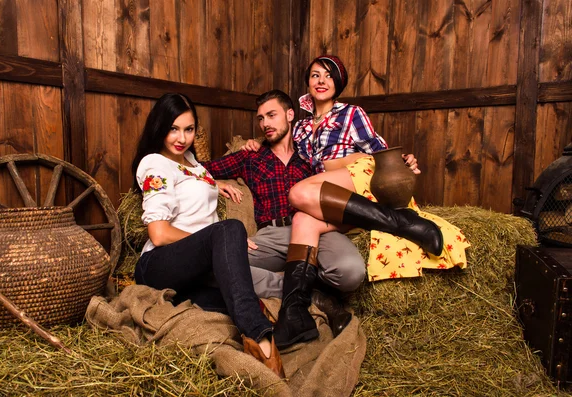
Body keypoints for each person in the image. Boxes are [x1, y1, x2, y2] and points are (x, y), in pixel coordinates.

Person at [244, 55, 469, 348]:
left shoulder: (351, 114)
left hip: (355, 179)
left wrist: (404, 162)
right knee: (301, 216)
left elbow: (380, 152)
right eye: (315, 75)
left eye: (328, 75)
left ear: (338, 83)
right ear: (308, 83)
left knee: (297, 195)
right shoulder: (298, 127)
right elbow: (278, 142)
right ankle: (295, 313)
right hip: (324, 194)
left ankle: (403, 222)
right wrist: (252, 144)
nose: (321, 81)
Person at [130, 93, 285, 377]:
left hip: (195, 264)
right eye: (173, 128)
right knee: (232, 231)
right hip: (159, 263)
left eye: (189, 129)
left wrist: (218, 184)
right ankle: (260, 338)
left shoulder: (191, 161)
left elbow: (198, 187)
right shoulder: (155, 163)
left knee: (237, 291)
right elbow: (159, 233)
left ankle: (253, 313)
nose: (182, 138)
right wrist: (221, 239)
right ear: (159, 126)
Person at [202, 90, 359, 341]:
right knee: (213, 268)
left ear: (289, 115)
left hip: (314, 227)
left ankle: (296, 283)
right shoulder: (251, 156)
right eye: (261, 118)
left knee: (350, 273)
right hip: (272, 235)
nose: (265, 123)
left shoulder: (311, 153)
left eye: (271, 115)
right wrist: (213, 183)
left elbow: (363, 167)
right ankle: (313, 295)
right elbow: (197, 170)